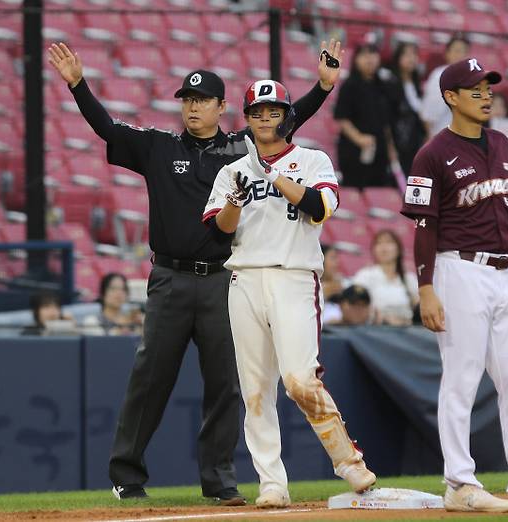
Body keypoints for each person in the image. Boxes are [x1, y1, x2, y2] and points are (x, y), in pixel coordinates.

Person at [47, 40, 343, 502]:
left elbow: (280, 121)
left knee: (226, 383)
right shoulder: (158, 147)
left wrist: (322, 90)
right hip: (169, 278)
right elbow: (108, 129)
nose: (192, 107)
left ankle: (219, 478)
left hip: (225, 278)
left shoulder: (240, 148)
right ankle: (127, 474)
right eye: (187, 99)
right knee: (151, 376)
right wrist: (79, 86)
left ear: (223, 107)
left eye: (202, 100)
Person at [401, 58, 508, 512]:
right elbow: (423, 227)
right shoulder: (432, 153)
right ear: (450, 97)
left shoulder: (502, 144)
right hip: (458, 270)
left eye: (488, 87)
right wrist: (426, 287)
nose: (486, 94)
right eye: (474, 89)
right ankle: (459, 482)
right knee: (461, 380)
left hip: (504, 274)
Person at [203, 79, 376, 508]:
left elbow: (320, 209)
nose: (265, 118)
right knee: (255, 388)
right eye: (258, 112)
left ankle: (348, 461)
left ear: (286, 116)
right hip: (244, 278)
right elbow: (217, 232)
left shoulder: (312, 160)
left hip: (294, 275)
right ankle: (271, 483)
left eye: (273, 111)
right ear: (248, 118)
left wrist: (276, 176)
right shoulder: (232, 171)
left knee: (299, 380)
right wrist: (235, 204)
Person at [333, 42, 398, 188]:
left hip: (379, 151)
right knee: (355, 186)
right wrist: (359, 138)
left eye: (373, 54)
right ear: (356, 59)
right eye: (364, 54)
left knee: (378, 188)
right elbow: (342, 118)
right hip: (354, 151)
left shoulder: (383, 85)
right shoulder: (349, 85)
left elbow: (387, 121)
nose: (369, 59)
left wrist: (390, 147)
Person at [352, 229, 418, 326]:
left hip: (407, 329)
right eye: (379, 243)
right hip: (376, 329)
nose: (384, 247)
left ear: (399, 249)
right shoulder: (365, 275)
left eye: (389, 242)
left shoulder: (409, 279)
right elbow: (355, 305)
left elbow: (419, 306)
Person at [385, 41, 428, 175]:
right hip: (398, 146)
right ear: (398, 58)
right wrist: (390, 147)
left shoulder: (417, 85)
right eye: (406, 54)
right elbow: (386, 119)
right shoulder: (390, 84)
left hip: (415, 145)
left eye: (414, 54)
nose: (411, 58)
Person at [420, 33, 470, 138]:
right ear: (447, 53)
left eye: (464, 52)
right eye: (457, 51)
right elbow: (428, 114)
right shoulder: (439, 75)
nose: (460, 55)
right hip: (440, 137)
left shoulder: (471, 78)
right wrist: (430, 137)